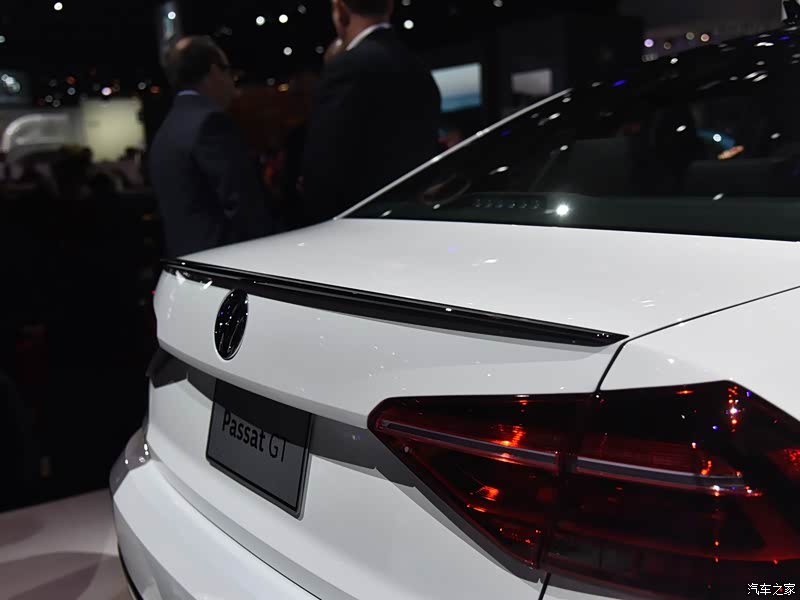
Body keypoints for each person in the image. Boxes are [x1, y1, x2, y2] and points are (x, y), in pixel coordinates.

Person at [301, 0, 441, 225]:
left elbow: (322, 172)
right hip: (415, 220)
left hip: (356, 227)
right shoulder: (418, 66)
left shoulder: (347, 67)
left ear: (340, 11)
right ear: (390, 6)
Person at [150, 36, 273, 257]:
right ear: (215, 70)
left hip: (185, 262)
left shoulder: (165, 130)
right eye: (228, 70)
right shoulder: (210, 123)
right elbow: (244, 207)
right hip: (226, 262)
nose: (232, 81)